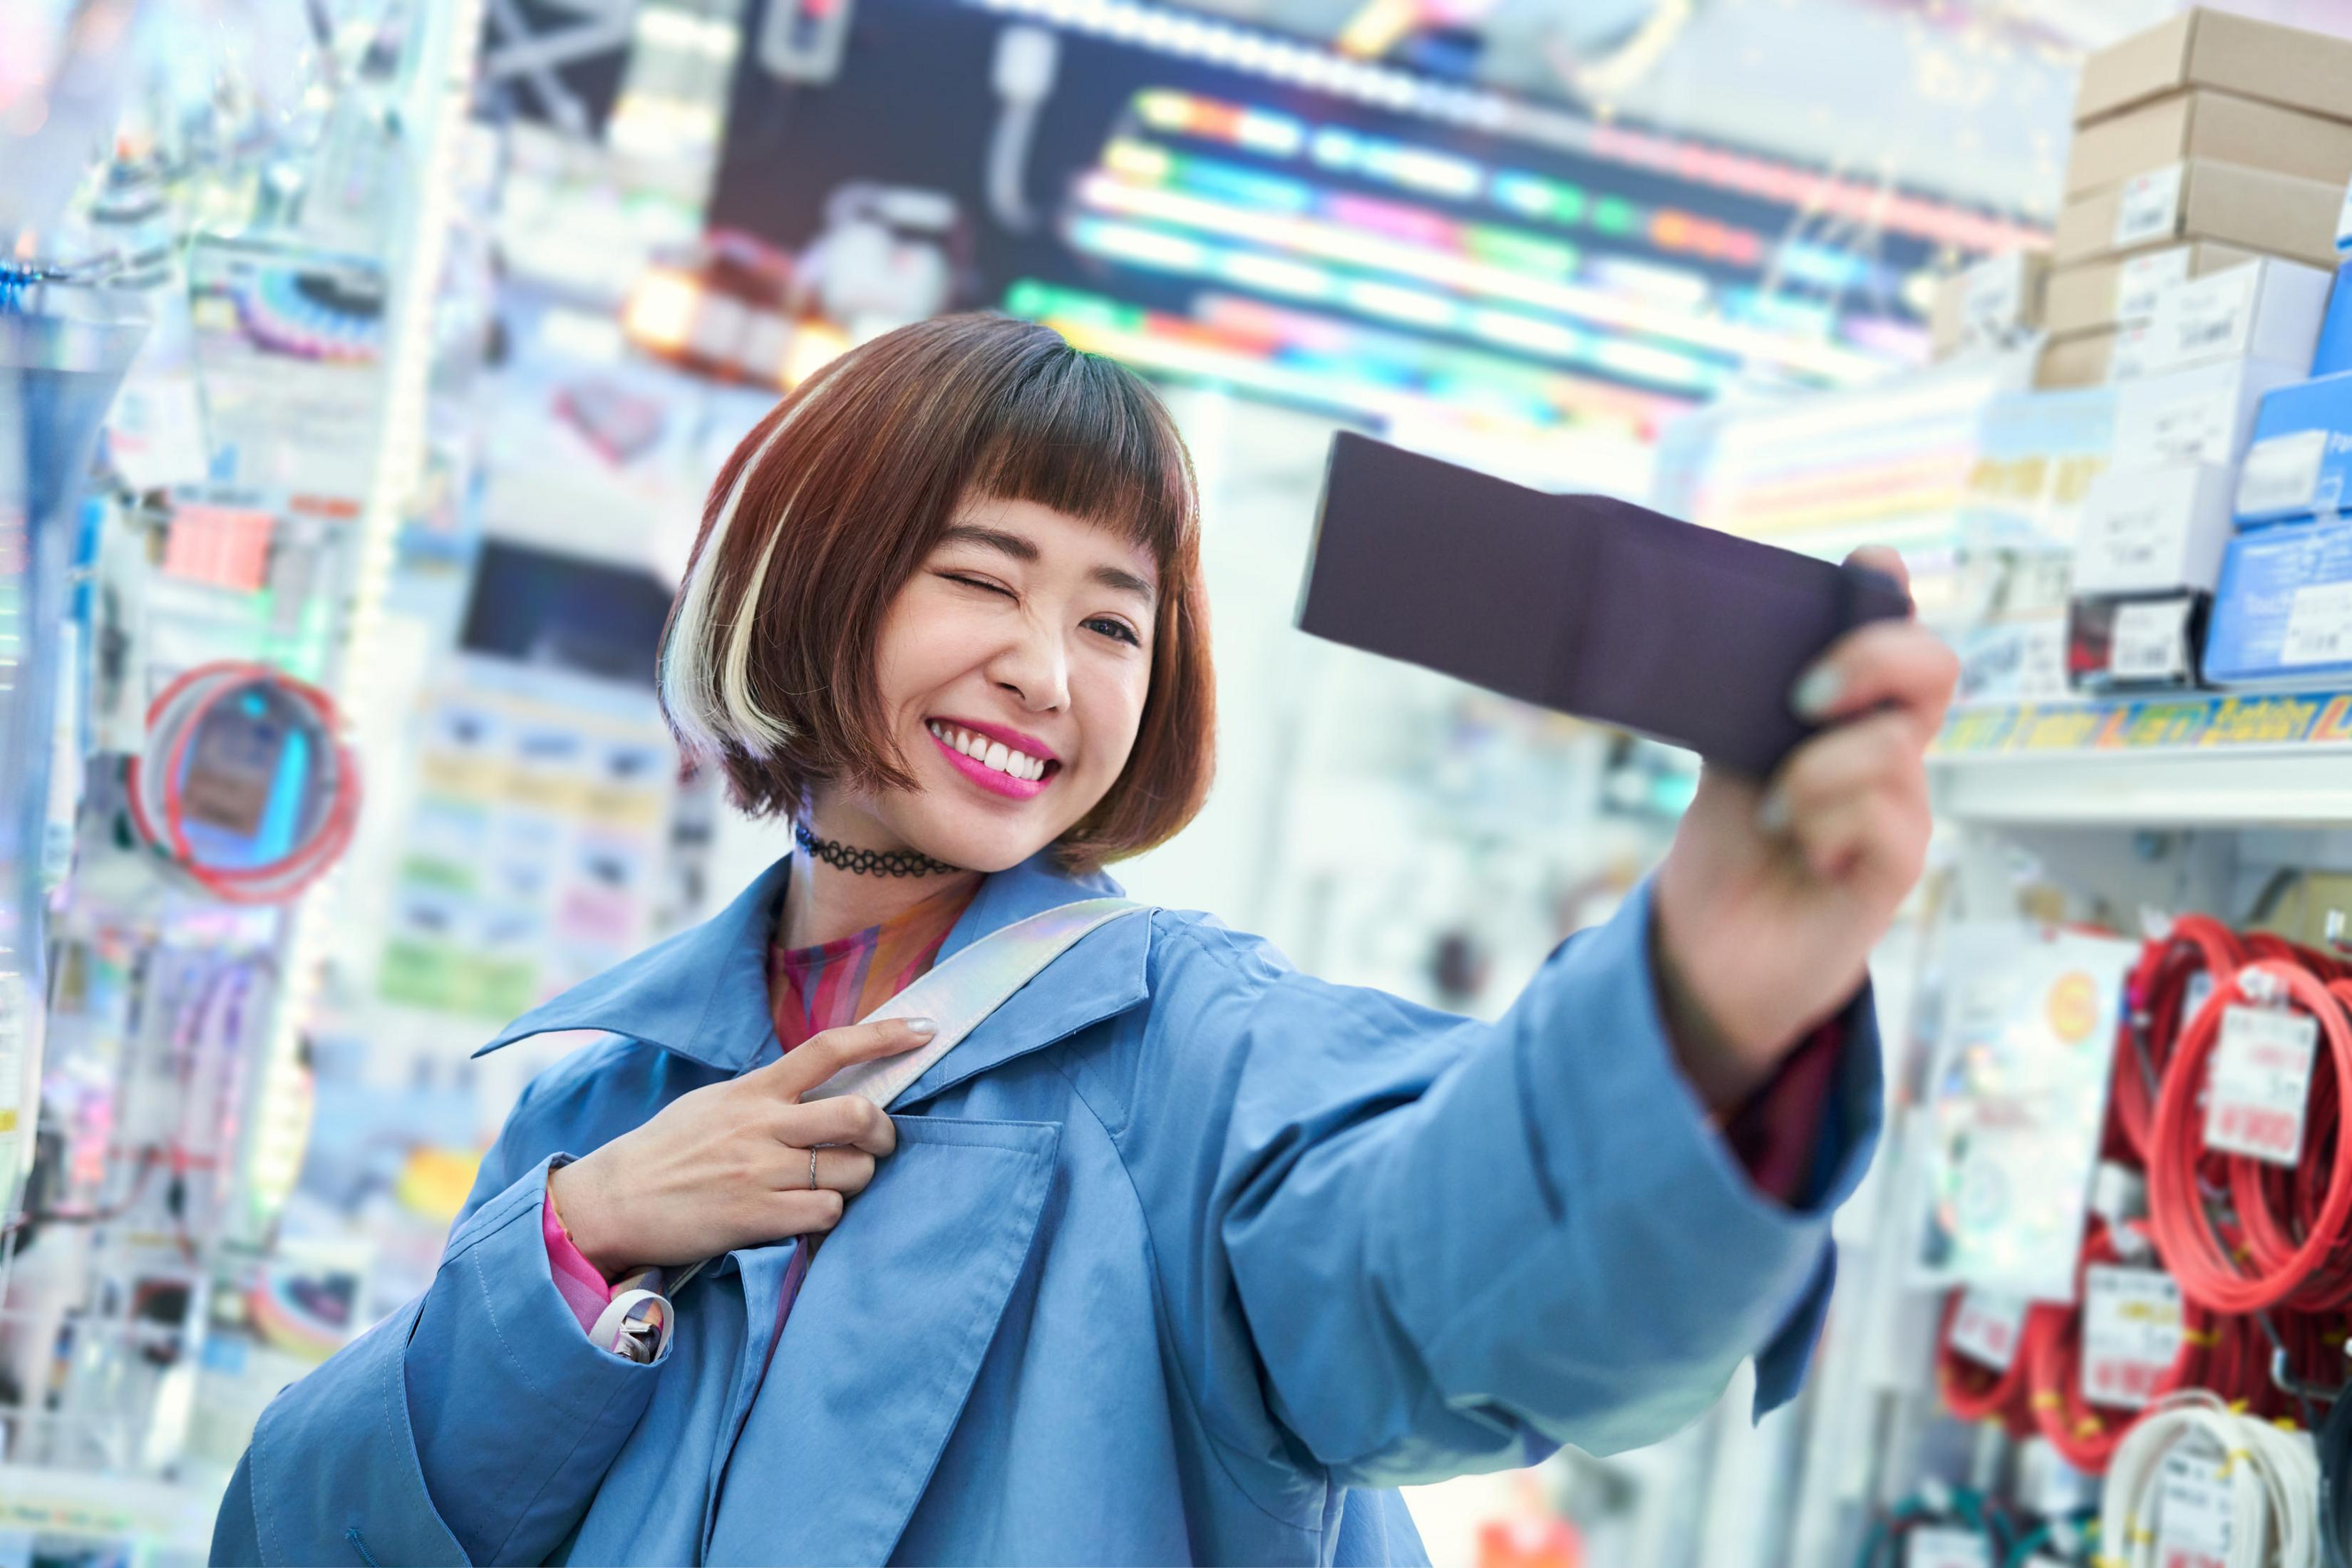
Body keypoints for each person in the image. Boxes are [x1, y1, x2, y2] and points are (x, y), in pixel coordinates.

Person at [212, 313, 1956, 1567]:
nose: (1048, 670)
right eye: (982, 578)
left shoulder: (1193, 1055)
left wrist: (1693, 1022)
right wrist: (582, 1244)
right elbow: (304, 1530)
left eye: (1112, 617)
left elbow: (1445, 1285)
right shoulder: (605, 1096)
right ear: (804, 580)